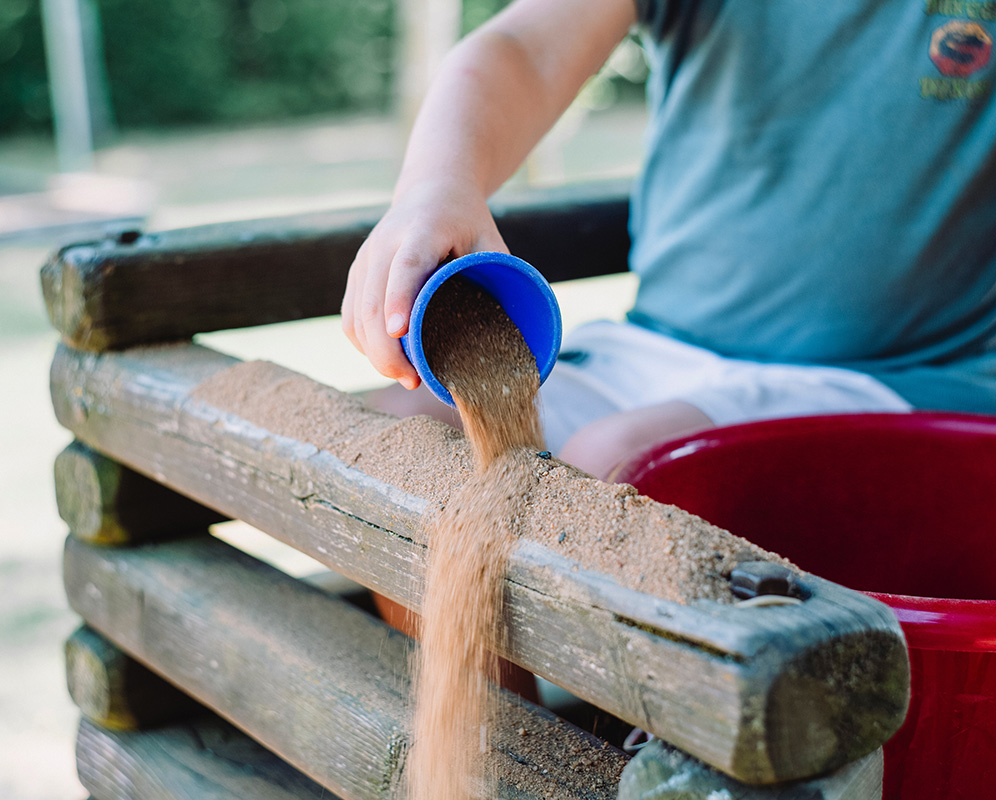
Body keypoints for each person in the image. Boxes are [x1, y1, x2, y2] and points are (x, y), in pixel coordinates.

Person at [343, 0, 996, 481]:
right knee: (411, 433)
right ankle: (474, 677)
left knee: (624, 461)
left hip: (898, 375)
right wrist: (438, 183)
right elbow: (525, 48)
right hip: (658, 350)